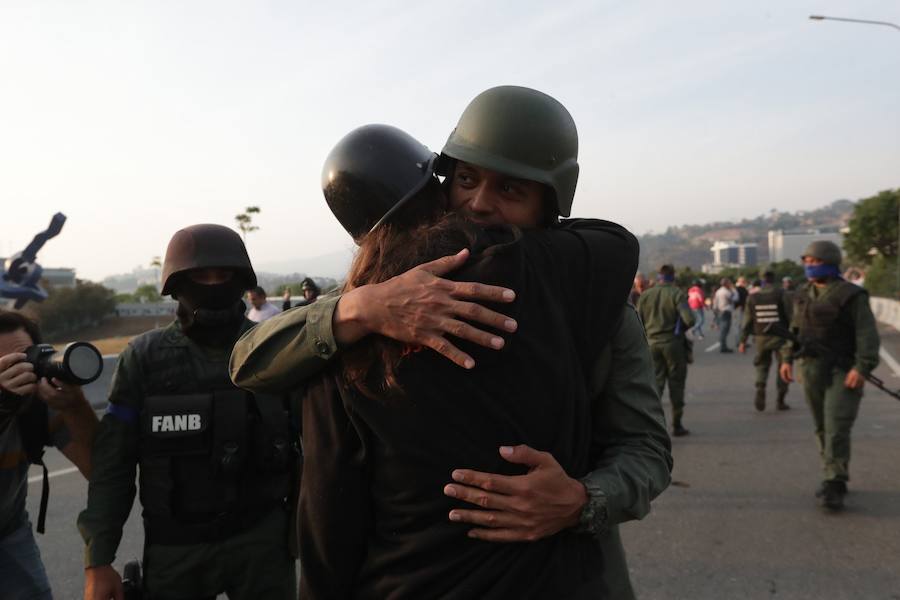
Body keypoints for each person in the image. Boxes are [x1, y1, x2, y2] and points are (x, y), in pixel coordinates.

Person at [231, 86, 672, 598]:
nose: (479, 203)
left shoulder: (595, 305)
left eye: (510, 190)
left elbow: (645, 449)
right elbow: (248, 361)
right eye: (466, 179)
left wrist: (583, 499)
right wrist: (362, 308)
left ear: (547, 206)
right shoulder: (385, 290)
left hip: (567, 574)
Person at [79, 224, 298, 600]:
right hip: (176, 549)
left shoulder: (272, 348)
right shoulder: (145, 358)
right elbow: (113, 465)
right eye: (200, 275)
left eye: (223, 275)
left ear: (241, 280)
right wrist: (98, 559)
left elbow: (314, 444)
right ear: (177, 282)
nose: (212, 284)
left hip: (261, 542)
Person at [0, 311, 98, 599]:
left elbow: (101, 471)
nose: (14, 375)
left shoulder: (38, 404)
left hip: (8, 531)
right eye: (4, 366)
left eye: (23, 360)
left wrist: (76, 407)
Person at [779, 241, 879, 511]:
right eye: (807, 261)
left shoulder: (851, 296)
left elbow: (866, 335)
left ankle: (834, 481)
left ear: (831, 263)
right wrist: (787, 359)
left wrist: (862, 367)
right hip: (811, 367)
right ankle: (833, 473)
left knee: (837, 424)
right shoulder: (802, 294)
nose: (809, 266)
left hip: (842, 369)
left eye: (815, 261)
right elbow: (795, 329)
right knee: (822, 425)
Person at [636, 265, 696, 436]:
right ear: (673, 276)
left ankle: (653, 426)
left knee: (655, 385)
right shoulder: (676, 293)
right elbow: (689, 320)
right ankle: (677, 425)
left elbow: (637, 321)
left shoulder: (646, 295)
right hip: (673, 344)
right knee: (676, 384)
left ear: (659, 276)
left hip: (651, 344)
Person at [738, 271, 791, 411]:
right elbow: (790, 316)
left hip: (761, 337)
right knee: (783, 367)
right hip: (781, 337)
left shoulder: (753, 297)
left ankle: (760, 387)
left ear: (762, 280)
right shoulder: (782, 294)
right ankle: (780, 400)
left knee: (762, 365)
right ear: (774, 279)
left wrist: (742, 341)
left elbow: (747, 321)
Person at [713, 278, 737, 353]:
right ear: (726, 284)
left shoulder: (718, 291)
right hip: (725, 311)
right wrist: (734, 290)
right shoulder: (727, 292)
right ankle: (723, 347)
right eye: (729, 283)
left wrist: (715, 312)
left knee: (723, 329)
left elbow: (715, 302)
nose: (730, 284)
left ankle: (723, 345)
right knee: (725, 330)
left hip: (720, 311)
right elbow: (735, 299)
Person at [733, 276, 749, 347]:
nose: (744, 283)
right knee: (739, 326)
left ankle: (742, 341)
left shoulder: (742, 289)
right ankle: (739, 342)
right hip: (739, 309)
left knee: (742, 326)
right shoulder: (738, 289)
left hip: (742, 309)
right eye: (743, 281)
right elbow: (735, 300)